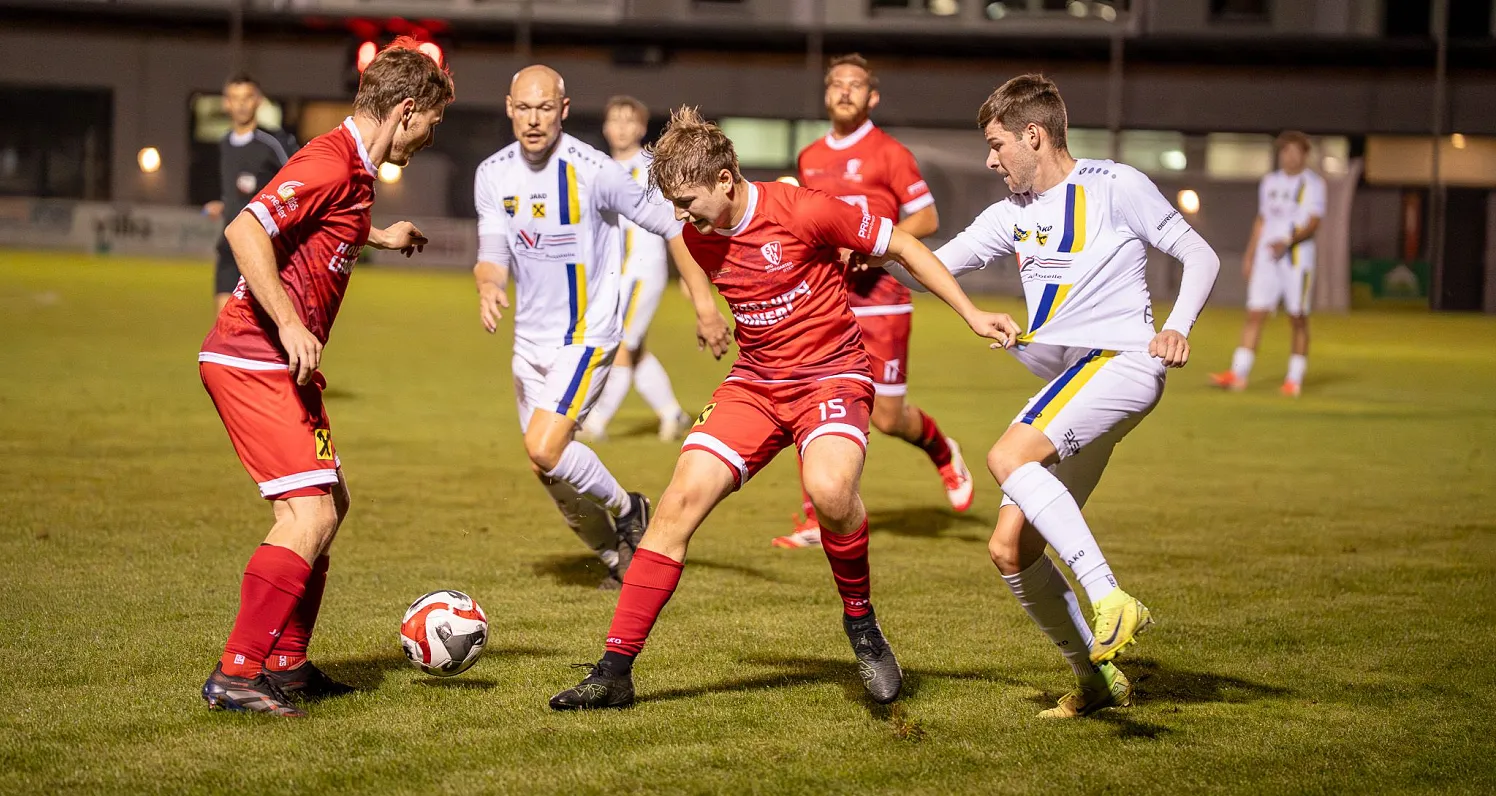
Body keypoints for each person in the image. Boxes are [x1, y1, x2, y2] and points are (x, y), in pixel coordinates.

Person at [548, 106, 1019, 711]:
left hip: (832, 376)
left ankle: (861, 625)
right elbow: (695, 247)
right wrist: (705, 308)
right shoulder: (698, 232)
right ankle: (614, 671)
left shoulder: (803, 209)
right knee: (677, 502)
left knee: (830, 490)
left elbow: (901, 242)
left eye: (688, 199)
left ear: (726, 179)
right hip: (756, 383)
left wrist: (973, 314)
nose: (681, 217)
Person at [884, 74, 1220, 718]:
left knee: (1009, 455)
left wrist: (1178, 326)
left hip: (1121, 363)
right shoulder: (1008, 215)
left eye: (996, 144)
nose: (989, 159)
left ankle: (1109, 597)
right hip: (1079, 381)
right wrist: (866, 249)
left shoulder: (1114, 185)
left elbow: (1198, 255)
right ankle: (1095, 679)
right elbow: (933, 269)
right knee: (1011, 548)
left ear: (1033, 136)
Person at [198, 39, 453, 717]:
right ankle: (237, 671)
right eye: (432, 122)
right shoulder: (328, 157)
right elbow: (247, 229)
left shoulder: (356, 170)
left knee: (330, 504)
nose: (431, 136)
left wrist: (376, 236)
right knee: (306, 514)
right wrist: (286, 322)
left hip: (281, 363)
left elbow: (323, 217)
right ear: (406, 109)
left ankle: (287, 663)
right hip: (254, 354)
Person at [473, 68, 687, 589]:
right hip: (529, 344)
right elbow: (492, 253)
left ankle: (628, 505)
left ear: (563, 109)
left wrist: (705, 299)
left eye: (544, 108)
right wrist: (488, 284)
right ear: (509, 108)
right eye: (524, 108)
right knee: (547, 468)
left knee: (546, 448)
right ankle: (614, 556)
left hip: (585, 335)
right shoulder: (493, 173)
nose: (533, 119)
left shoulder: (595, 171)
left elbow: (672, 222)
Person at [773, 54, 973, 550]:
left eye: (855, 84)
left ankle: (940, 447)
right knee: (811, 400)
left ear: (872, 96)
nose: (844, 91)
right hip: (825, 300)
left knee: (886, 418)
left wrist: (873, 245)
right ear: (826, 93)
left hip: (882, 299)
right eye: (836, 83)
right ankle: (814, 518)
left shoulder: (890, 153)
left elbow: (925, 220)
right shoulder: (810, 157)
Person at [578, 95, 693, 443]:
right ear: (605, 126)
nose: (622, 127)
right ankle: (673, 414)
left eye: (630, 120)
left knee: (620, 346)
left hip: (642, 269)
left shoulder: (652, 166)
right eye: (615, 120)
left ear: (642, 127)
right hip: (615, 273)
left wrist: (692, 273)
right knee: (636, 350)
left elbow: (679, 219)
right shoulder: (601, 166)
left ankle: (595, 422)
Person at [1210, 131, 1325, 397]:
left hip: (1297, 259)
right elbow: (1262, 220)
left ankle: (1293, 379)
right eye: (1285, 151)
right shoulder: (1270, 182)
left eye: (1295, 151)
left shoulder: (1313, 184)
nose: (1290, 157)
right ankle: (1238, 374)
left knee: (1297, 317)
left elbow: (1314, 222)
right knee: (1255, 314)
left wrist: (1287, 240)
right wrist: (1250, 254)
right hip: (1266, 258)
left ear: (1304, 155)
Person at [204, 73, 299, 312]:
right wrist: (225, 204)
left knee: (262, 328)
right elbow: (238, 190)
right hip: (229, 245)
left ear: (258, 100)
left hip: (263, 248)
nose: (241, 104)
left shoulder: (273, 142)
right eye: (235, 98)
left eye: (247, 97)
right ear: (226, 103)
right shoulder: (225, 142)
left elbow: (299, 180)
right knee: (225, 326)